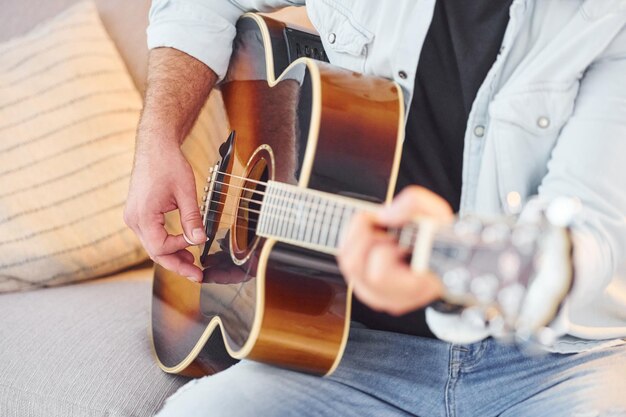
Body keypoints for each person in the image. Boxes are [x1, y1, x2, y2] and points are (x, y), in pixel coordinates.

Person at [123, 1, 626, 416]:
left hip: (557, 366)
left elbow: (591, 234)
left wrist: (441, 272)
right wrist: (159, 140)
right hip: (347, 351)